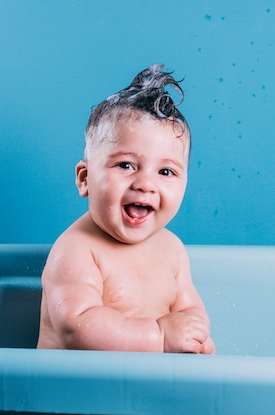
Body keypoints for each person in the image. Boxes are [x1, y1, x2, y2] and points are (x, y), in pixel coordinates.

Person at [37, 64, 215, 354]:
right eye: (126, 165)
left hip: (134, 394)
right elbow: (76, 327)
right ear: (85, 179)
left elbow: (189, 307)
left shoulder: (172, 250)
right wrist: (159, 336)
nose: (145, 184)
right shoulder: (77, 250)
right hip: (70, 396)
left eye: (166, 172)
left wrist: (195, 336)